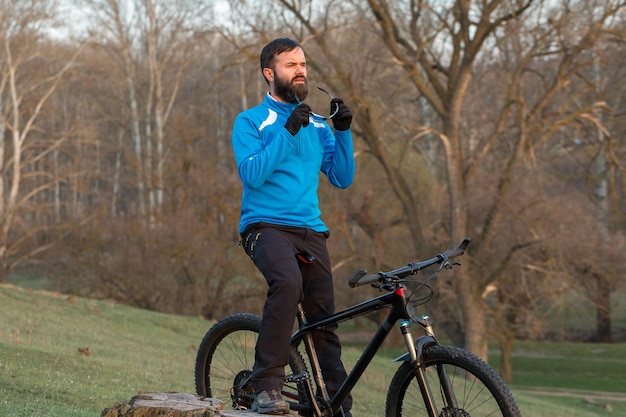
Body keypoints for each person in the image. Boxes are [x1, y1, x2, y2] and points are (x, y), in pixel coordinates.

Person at [231, 37, 355, 416]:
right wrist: (286, 132)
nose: (300, 70)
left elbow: (342, 177)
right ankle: (266, 384)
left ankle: (336, 405)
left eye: (302, 63)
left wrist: (344, 132)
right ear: (270, 74)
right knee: (287, 283)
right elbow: (252, 175)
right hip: (263, 227)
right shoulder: (251, 121)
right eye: (291, 65)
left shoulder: (318, 125)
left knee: (325, 320)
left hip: (310, 229)